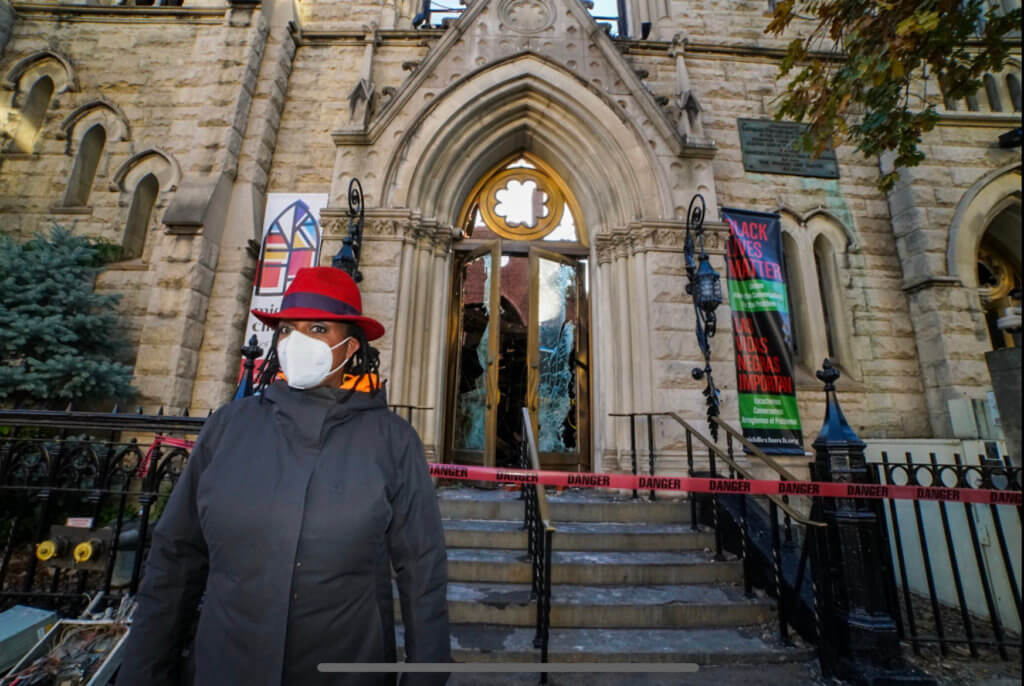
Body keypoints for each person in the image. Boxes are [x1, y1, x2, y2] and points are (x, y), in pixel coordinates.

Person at [118, 266, 451, 686]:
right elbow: (175, 558)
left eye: (317, 328)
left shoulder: (392, 441)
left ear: (350, 346)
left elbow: (422, 573)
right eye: (288, 329)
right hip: (226, 665)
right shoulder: (228, 428)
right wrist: (143, 672)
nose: (298, 342)